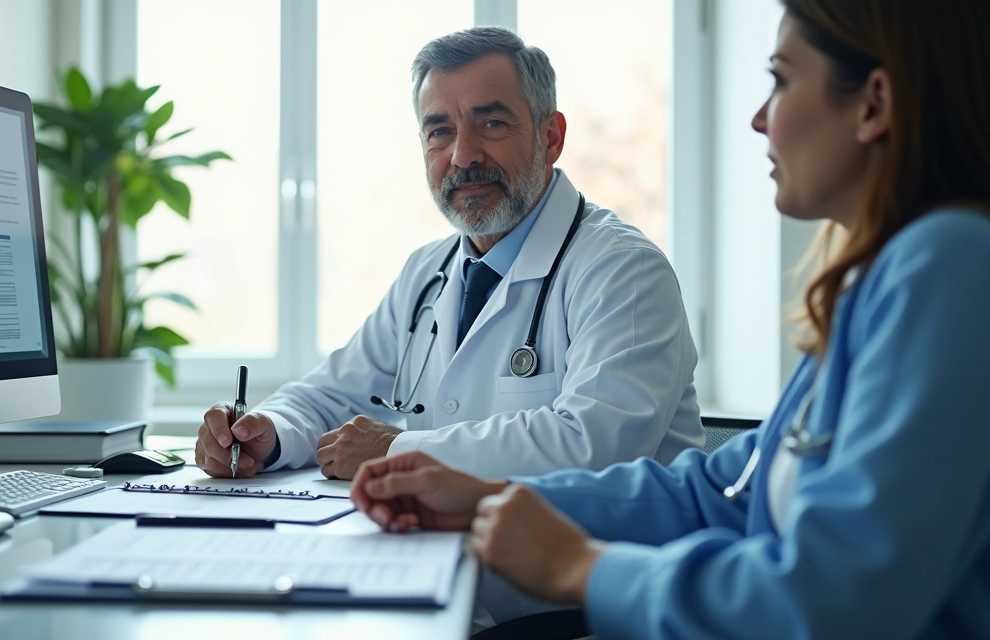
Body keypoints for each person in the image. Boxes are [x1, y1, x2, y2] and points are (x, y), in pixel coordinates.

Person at [350, 0, 990, 636]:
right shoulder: (875, 282)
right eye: (438, 129)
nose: (759, 117)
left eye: (781, 79)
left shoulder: (949, 265)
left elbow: (841, 599)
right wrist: (489, 496)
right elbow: (724, 490)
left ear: (873, 104)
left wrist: (583, 568)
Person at [194, 27, 703, 482]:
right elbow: (329, 395)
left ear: (551, 137)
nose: (462, 155)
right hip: (449, 559)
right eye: (439, 130)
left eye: (492, 124)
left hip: (592, 575)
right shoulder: (428, 272)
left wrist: (399, 449)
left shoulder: (623, 270)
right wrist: (269, 433)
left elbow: (595, 446)